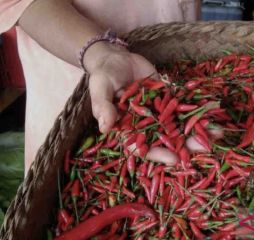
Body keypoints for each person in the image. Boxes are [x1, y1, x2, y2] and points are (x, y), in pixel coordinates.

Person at [0, 0, 219, 173]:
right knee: (78, 180)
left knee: (185, 176)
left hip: (172, 65)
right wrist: (100, 54)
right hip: (78, 76)